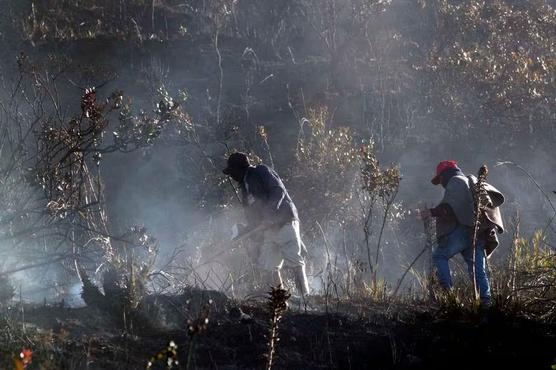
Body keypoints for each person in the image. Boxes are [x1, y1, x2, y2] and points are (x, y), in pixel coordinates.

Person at [223, 152, 310, 298]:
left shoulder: (261, 171)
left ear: (240, 168)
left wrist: (269, 214)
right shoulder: (245, 189)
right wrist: (243, 233)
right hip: (269, 230)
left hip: (284, 222)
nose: (231, 176)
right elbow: (253, 220)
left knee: (293, 259)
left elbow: (278, 191)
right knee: (269, 265)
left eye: (232, 172)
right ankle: (280, 301)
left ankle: (306, 299)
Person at [420, 160, 504, 306]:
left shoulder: (456, 181)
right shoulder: (470, 182)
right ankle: (486, 303)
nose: (440, 183)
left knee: (439, 256)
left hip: (463, 231)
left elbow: (451, 209)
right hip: (477, 233)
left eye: (440, 179)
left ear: (445, 174)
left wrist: (430, 212)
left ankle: (449, 296)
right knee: (478, 269)